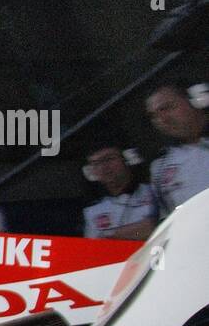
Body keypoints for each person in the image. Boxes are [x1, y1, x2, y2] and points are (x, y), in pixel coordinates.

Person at [145, 81, 209, 217]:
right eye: (154, 116)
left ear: (196, 100)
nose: (162, 119)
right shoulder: (159, 167)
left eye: (167, 108)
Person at [82, 147, 156, 240]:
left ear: (128, 159)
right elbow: (95, 249)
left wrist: (111, 235)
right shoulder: (92, 212)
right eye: (96, 164)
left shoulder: (154, 190)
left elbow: (158, 224)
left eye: (109, 159)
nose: (103, 167)